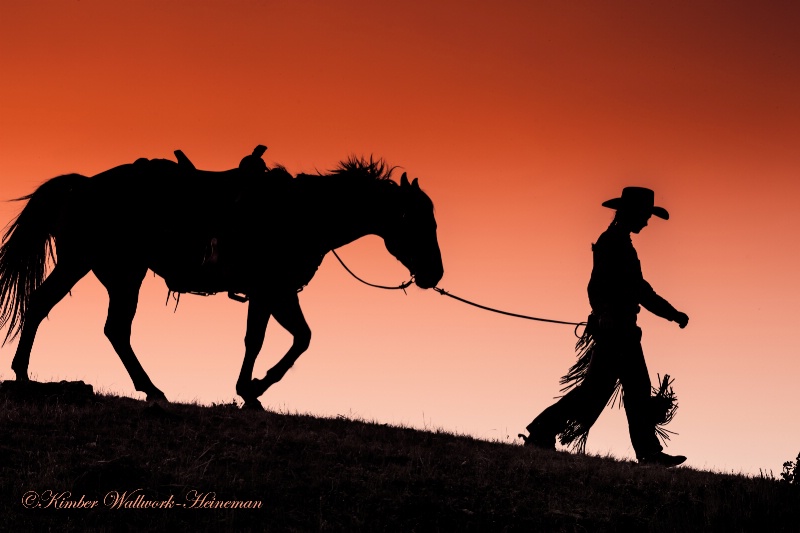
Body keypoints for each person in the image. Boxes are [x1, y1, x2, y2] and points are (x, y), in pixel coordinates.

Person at [521, 187, 689, 467]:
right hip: (615, 331)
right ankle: (543, 430)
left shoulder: (620, 242)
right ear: (632, 213)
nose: (647, 222)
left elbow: (639, 289)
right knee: (608, 392)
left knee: (628, 390)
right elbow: (597, 285)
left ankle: (646, 451)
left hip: (623, 330)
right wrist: (604, 312)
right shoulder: (612, 242)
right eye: (645, 215)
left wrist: (671, 313)